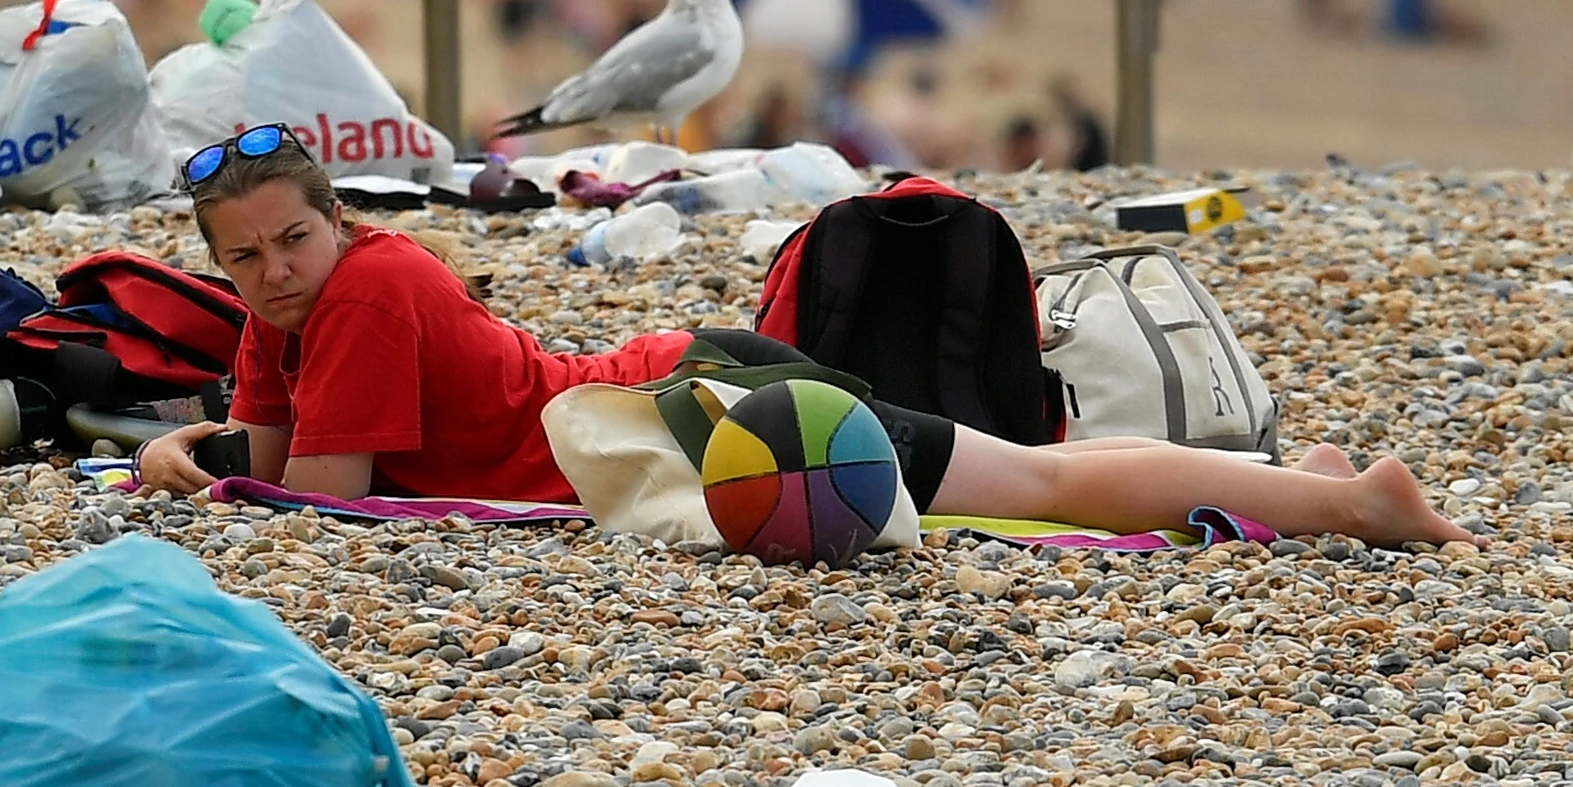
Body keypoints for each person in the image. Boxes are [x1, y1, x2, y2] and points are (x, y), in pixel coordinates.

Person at [137, 129, 1475, 546]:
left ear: (335, 223)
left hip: (705, 416)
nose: (270, 273)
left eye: (291, 240)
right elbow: (261, 454)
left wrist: (188, 463)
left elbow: (321, 504)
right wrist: (198, 451)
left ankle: (1357, 504)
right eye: (241, 257)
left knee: (1039, 490)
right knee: (1015, 484)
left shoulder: (367, 292)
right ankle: (1301, 487)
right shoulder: (296, 305)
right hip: (670, 401)